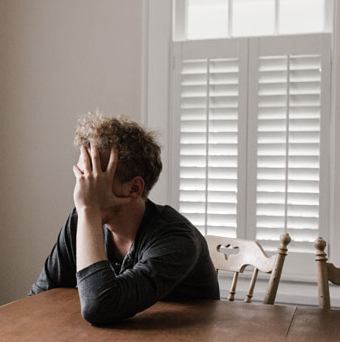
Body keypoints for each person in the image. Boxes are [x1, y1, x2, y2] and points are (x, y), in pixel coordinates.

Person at [29, 112, 219, 325]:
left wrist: (89, 209)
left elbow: (100, 307)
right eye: (82, 176)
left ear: (134, 188)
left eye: (94, 178)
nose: (82, 189)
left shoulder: (177, 239)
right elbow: (40, 297)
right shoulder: (81, 220)